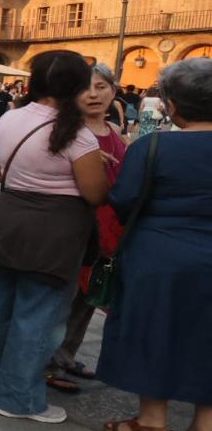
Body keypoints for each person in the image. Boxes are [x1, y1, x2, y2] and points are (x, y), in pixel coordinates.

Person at [0, 50, 108, 425]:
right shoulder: (78, 136)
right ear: (77, 86)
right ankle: (18, 398)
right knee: (39, 315)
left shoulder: (11, 118)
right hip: (54, 230)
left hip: (7, 219)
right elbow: (95, 193)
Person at [95, 58, 212, 431]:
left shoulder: (153, 146)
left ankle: (151, 424)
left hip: (160, 253)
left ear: (173, 104)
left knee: (154, 328)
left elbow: (124, 201)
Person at [47, 62, 129, 392]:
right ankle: (47, 361)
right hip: (77, 224)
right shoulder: (69, 132)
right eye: (86, 88)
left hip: (109, 228)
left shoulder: (115, 133)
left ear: (113, 90)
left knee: (89, 298)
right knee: (64, 298)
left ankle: (66, 355)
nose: (94, 94)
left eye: (101, 87)